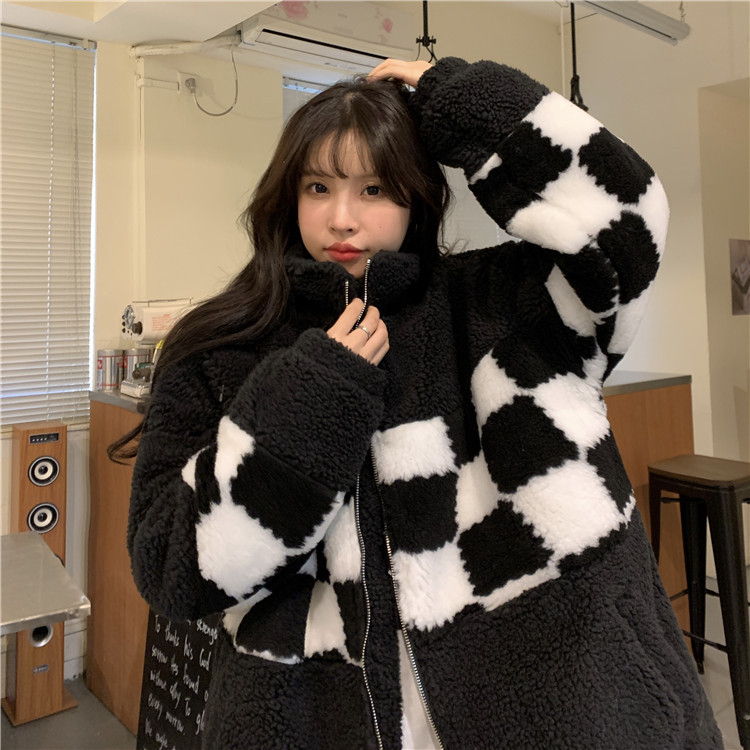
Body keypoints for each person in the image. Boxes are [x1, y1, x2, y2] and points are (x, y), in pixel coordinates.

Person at [121, 56, 722, 749]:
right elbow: (170, 567)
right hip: (309, 716)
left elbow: (627, 225)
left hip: (575, 704)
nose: (341, 217)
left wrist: (464, 103)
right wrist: (310, 400)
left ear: (416, 198)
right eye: (318, 187)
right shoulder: (220, 349)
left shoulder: (503, 307)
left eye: (374, 188)